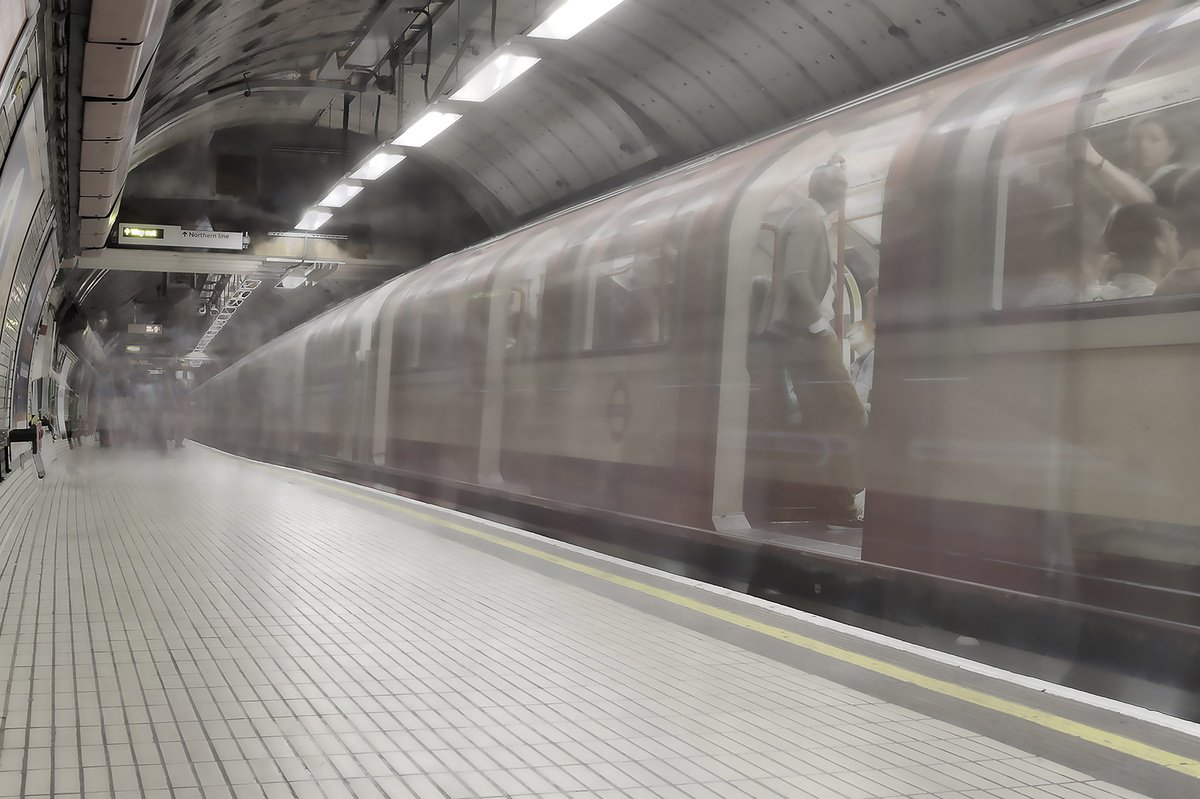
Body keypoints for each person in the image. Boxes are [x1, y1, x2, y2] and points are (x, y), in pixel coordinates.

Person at [767, 159, 867, 527]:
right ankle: (844, 498)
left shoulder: (803, 215)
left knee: (822, 418)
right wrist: (819, 327)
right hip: (803, 335)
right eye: (840, 184)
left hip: (793, 338)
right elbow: (796, 276)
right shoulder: (808, 218)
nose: (844, 189)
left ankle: (833, 502)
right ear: (828, 190)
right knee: (849, 412)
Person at [1099, 203, 1181, 299]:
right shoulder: (1161, 302)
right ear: (1160, 243)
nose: (1178, 244)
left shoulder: (1099, 296)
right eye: (1173, 234)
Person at [1020, 224, 1109, 307]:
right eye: (1093, 261)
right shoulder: (1064, 299)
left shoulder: (1049, 290)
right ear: (1080, 262)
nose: (1098, 274)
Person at [846, 321, 875, 415]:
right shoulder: (856, 365)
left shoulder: (875, 360)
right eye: (849, 330)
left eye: (857, 329)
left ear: (872, 335)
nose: (848, 334)